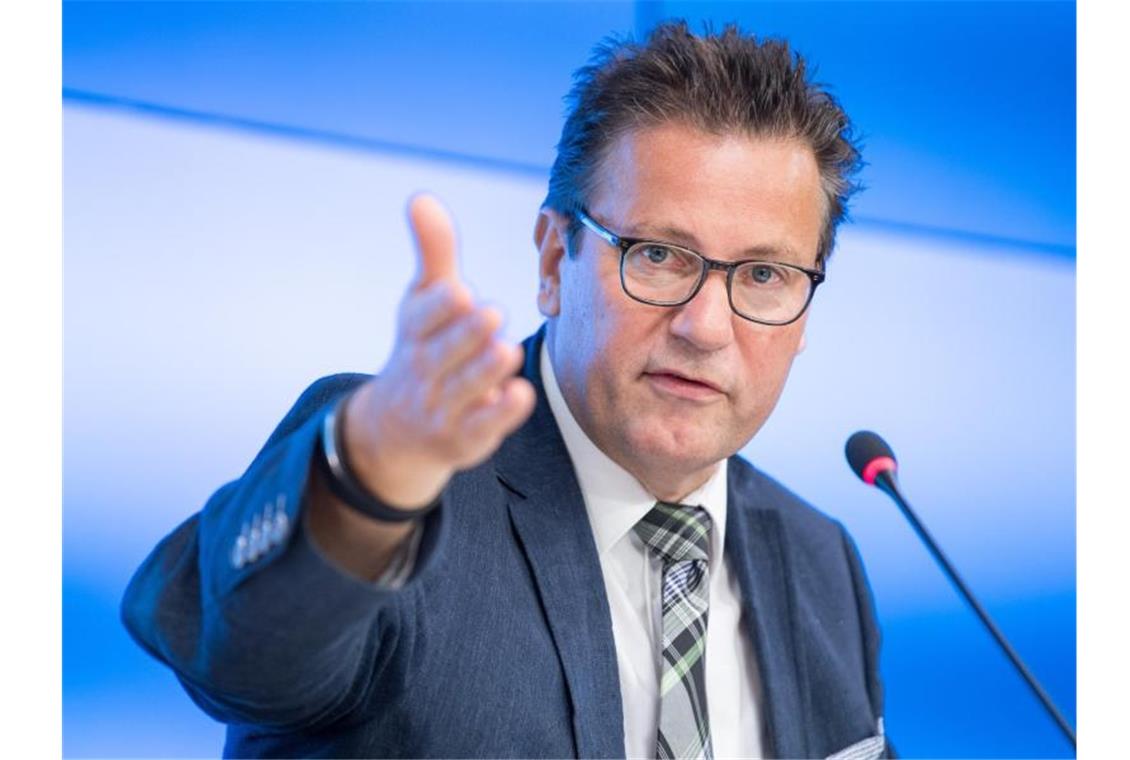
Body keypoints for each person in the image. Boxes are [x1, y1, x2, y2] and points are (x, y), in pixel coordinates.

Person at [122, 20, 891, 760]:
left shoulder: (821, 559)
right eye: (659, 255)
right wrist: (366, 480)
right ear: (555, 261)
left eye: (764, 275)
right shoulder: (401, 481)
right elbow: (243, 655)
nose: (706, 326)